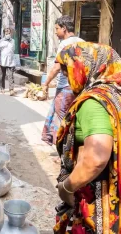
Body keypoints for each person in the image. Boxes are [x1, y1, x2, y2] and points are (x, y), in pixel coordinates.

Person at [54, 41, 121, 233]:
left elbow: (96, 159)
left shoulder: (93, 103)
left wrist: (66, 187)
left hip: (101, 205)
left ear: (87, 66)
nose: (65, 75)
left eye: (68, 69)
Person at [41, 15, 85, 149]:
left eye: (57, 29)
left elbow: (56, 67)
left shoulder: (64, 44)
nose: (55, 32)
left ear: (64, 29)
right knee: (73, 118)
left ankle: (63, 153)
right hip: (78, 88)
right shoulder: (82, 41)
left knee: (61, 120)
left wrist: (45, 83)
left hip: (65, 88)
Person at [0, 28, 16, 96]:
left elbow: (13, 50)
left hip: (11, 62)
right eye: (6, 33)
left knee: (11, 76)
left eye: (9, 33)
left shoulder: (13, 41)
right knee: (2, 76)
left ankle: (11, 89)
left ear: (11, 33)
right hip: (2, 62)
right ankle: (2, 88)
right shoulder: (0, 41)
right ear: (4, 34)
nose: (8, 34)